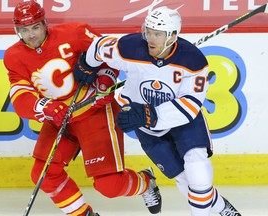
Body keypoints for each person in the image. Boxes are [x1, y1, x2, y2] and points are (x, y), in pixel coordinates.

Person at [74, 5, 242, 216]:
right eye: (149, 32)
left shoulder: (193, 61)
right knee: (183, 182)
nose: (151, 38)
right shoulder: (130, 47)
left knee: (198, 171)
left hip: (184, 122)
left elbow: (190, 105)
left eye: (158, 34)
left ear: (172, 36)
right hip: (146, 126)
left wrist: (150, 115)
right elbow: (99, 46)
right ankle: (220, 207)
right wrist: (87, 64)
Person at [3, 1, 162, 215]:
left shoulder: (75, 33)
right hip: (60, 119)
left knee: (109, 185)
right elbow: (20, 98)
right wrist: (44, 106)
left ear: (44, 24)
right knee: (44, 174)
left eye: (35, 27)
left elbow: (110, 54)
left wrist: (105, 79)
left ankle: (146, 182)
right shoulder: (14, 56)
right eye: (24, 29)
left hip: (94, 112)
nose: (31, 35)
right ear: (17, 31)